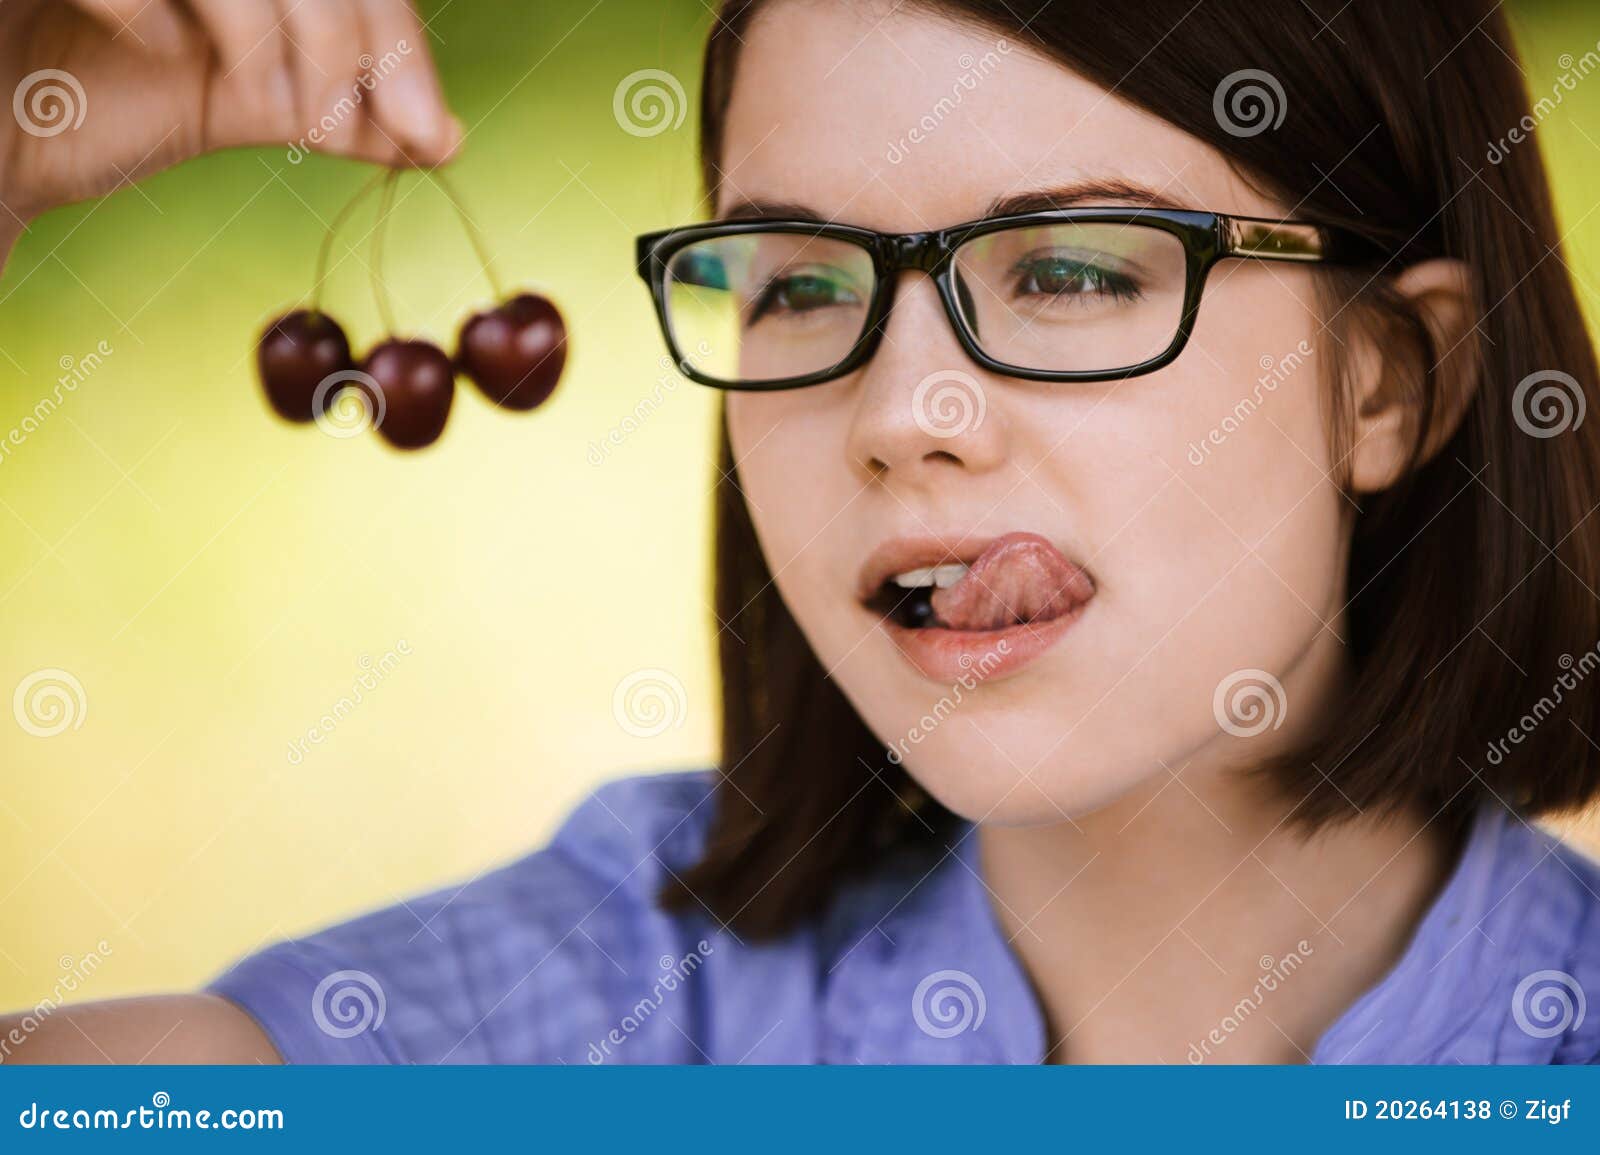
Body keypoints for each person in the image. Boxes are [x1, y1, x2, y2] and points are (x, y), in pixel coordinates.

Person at [5, 0, 1600, 1065]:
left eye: (1066, 272)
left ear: (1387, 385)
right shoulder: (627, 995)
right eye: (805, 285)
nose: (905, 411)